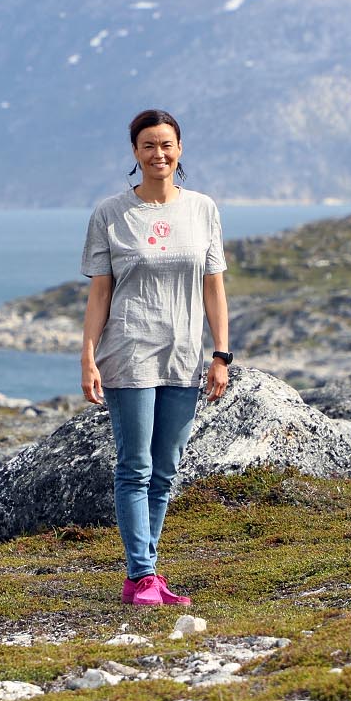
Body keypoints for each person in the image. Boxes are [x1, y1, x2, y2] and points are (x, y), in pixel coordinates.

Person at [80, 109, 231, 607]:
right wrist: (88, 355)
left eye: (166, 144)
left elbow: (214, 288)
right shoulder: (110, 213)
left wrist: (221, 353)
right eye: (148, 145)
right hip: (129, 353)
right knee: (135, 467)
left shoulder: (204, 210)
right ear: (135, 153)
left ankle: (144, 577)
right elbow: (100, 294)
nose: (158, 154)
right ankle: (143, 575)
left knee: (165, 469)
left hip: (184, 357)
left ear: (180, 149)